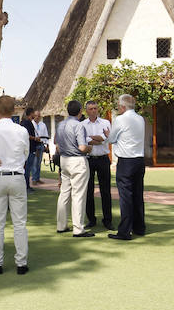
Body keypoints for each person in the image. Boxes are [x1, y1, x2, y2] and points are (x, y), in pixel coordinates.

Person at [0, 96, 30, 275]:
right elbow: (26, 154)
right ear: (13, 110)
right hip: (16, 176)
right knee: (19, 223)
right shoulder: (22, 130)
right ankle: (21, 263)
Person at [100, 94, 147, 241]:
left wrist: (108, 134)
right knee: (138, 195)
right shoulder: (140, 119)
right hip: (139, 160)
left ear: (122, 106)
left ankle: (125, 231)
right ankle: (139, 227)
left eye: (119, 106)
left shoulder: (120, 119)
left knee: (126, 197)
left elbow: (112, 139)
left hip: (126, 161)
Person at [55, 101, 94, 237]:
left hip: (64, 160)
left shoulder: (60, 124)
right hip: (77, 161)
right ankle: (78, 228)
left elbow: (57, 144)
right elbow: (83, 147)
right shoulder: (78, 125)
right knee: (78, 195)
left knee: (64, 193)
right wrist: (90, 148)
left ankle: (61, 225)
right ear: (80, 111)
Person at [81, 100, 113, 231]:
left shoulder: (106, 122)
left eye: (95, 108)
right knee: (88, 191)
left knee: (106, 191)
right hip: (88, 159)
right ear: (86, 111)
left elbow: (108, 138)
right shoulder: (82, 124)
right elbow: (83, 139)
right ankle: (91, 219)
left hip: (103, 159)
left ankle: (108, 220)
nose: (93, 110)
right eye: (91, 108)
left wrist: (91, 138)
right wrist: (98, 139)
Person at [20, 107, 41, 192]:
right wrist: (35, 138)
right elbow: (26, 135)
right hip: (28, 149)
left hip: (31, 148)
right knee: (27, 169)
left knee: (28, 168)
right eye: (33, 114)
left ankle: (27, 186)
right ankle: (26, 187)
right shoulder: (26, 123)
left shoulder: (27, 122)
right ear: (31, 113)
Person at [32, 111, 49, 185]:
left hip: (41, 144)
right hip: (34, 144)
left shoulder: (43, 125)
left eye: (39, 116)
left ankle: (37, 178)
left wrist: (47, 145)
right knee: (34, 162)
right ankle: (34, 179)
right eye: (36, 116)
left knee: (39, 162)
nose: (37, 117)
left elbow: (46, 135)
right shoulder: (31, 124)